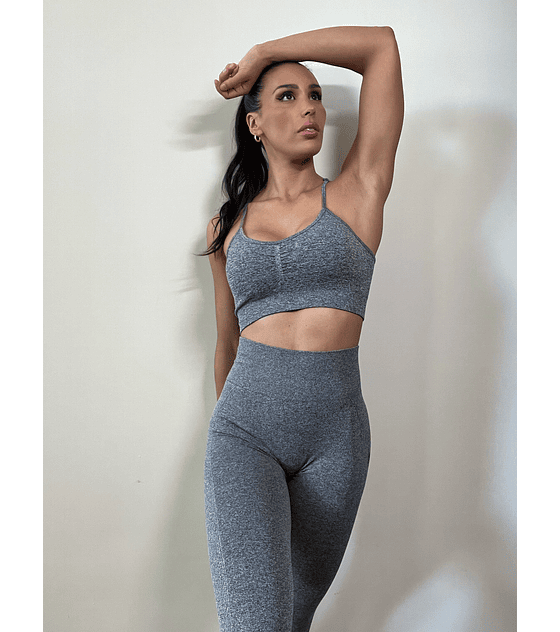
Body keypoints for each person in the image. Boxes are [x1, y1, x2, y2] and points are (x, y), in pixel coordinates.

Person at [197, 25, 404, 632]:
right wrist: (232, 425)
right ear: (255, 123)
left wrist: (267, 53)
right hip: (244, 432)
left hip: (335, 440)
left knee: (289, 618)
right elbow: (227, 343)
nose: (309, 107)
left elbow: (381, 47)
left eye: (314, 94)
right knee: (253, 621)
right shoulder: (226, 229)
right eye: (286, 96)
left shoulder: (358, 193)